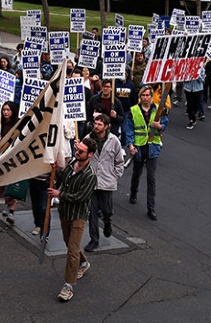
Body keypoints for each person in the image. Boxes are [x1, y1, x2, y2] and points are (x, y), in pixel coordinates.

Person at [48, 137, 98, 302]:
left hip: (78, 216)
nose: (77, 152)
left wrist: (59, 194)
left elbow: (79, 197)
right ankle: (84, 263)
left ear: (89, 154)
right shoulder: (72, 164)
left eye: (81, 151)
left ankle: (68, 286)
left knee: (71, 249)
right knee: (69, 242)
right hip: (65, 213)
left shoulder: (90, 176)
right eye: (78, 149)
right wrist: (56, 168)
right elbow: (63, 177)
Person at [124, 85, 168, 221]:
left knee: (151, 178)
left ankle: (151, 208)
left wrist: (159, 126)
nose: (145, 98)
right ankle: (133, 192)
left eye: (148, 95)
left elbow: (165, 123)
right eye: (143, 95)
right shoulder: (134, 111)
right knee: (137, 173)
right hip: (139, 146)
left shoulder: (159, 109)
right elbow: (129, 129)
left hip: (153, 146)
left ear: (151, 96)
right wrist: (130, 145)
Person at [83, 114, 124, 252]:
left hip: (107, 181)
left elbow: (119, 161)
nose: (96, 126)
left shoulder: (114, 141)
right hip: (91, 181)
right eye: (95, 123)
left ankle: (107, 222)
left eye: (100, 124)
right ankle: (94, 239)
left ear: (106, 127)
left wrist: (115, 175)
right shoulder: (88, 139)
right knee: (92, 212)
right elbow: (81, 157)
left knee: (107, 210)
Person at [0, 101, 21, 224]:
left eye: (8, 110)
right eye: (4, 110)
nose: (5, 112)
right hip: (2, 158)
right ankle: (7, 204)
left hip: (13, 158)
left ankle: (11, 210)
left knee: (12, 184)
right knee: (4, 184)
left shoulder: (18, 125)